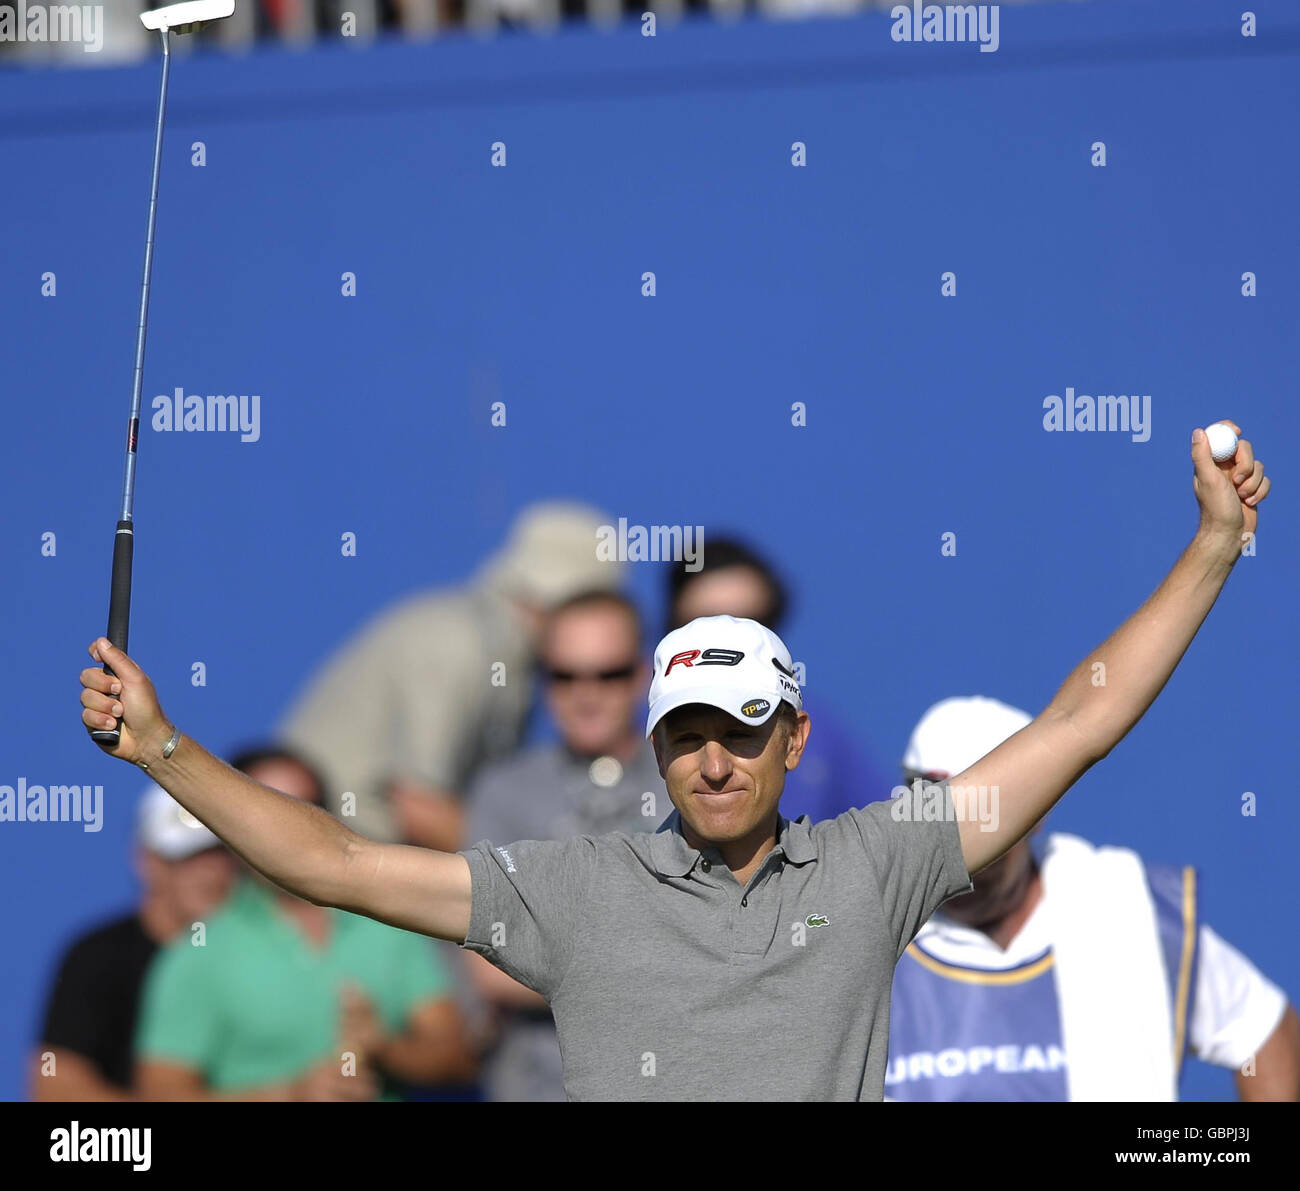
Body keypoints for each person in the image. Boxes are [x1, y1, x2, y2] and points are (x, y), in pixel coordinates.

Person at [79, 424, 1271, 1100]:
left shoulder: (870, 865)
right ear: (656, 751)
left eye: (742, 729)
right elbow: (337, 858)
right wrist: (161, 747)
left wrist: (1214, 546)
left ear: (794, 740)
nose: (713, 759)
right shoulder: (577, 890)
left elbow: (1079, 721)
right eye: (688, 733)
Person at [885, 696, 1300, 1102]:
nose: (955, 833)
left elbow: (1260, 1029)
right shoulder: (860, 934)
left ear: (1037, 810)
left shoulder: (1128, 911)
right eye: (931, 802)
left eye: (981, 809)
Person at [133, 747, 477, 1101]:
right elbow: (162, 1094)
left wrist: (388, 1050)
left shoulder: (389, 922)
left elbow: (458, 1058)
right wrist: (290, 1095)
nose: (290, 834)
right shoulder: (198, 953)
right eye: (268, 814)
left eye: (305, 810)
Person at [279, 501, 624, 852]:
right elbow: (417, 806)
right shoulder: (454, 641)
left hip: (360, 859)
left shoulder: (509, 659)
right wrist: (542, 880)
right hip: (322, 862)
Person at [464, 589, 671, 1101]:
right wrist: (649, 966)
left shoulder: (690, 782)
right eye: (564, 675)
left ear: (643, 674)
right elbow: (487, 967)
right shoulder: (503, 792)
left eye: (609, 673)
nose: (586, 694)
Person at [30, 785, 235, 1101]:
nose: (209, 873)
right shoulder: (97, 956)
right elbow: (56, 1086)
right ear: (147, 861)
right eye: (186, 858)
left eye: (219, 855)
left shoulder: (263, 954)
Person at [667, 535, 893, 818]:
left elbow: (890, 843)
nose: (730, 642)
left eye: (751, 623)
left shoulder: (821, 732)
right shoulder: (630, 720)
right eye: (707, 624)